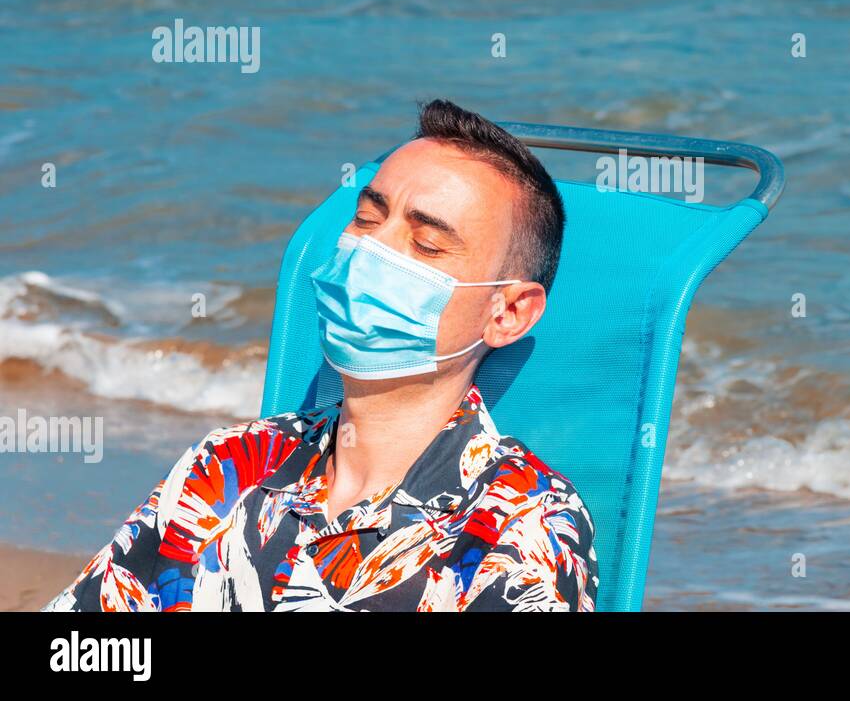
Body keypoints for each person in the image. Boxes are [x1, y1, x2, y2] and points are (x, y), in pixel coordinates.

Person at [44, 100, 597, 611]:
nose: (374, 250)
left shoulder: (518, 522)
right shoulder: (234, 463)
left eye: (427, 244)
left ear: (508, 312)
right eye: (367, 219)